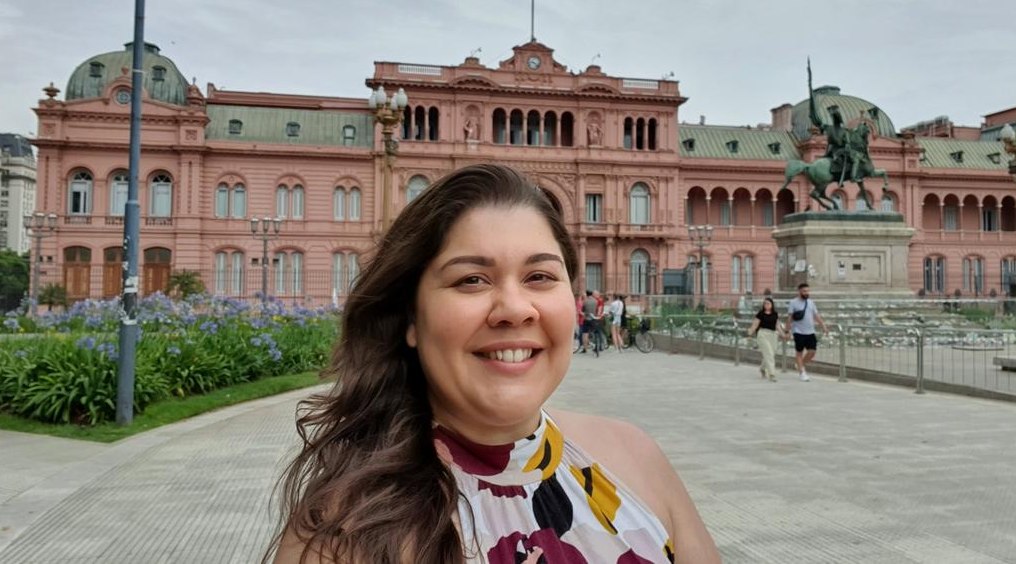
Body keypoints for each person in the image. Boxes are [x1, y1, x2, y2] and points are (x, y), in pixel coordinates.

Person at [270, 164, 718, 563]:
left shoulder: (634, 457)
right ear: (410, 317)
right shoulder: (345, 536)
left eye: (539, 276)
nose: (515, 308)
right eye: (471, 280)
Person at [785, 282, 828, 382]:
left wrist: (824, 326)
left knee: (812, 351)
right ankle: (802, 372)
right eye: (804, 291)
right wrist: (787, 331)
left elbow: (816, 316)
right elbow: (790, 318)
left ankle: (800, 365)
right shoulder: (793, 303)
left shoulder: (811, 302)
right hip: (798, 331)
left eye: (808, 291)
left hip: (810, 331)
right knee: (799, 352)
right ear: (799, 291)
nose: (806, 293)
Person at [746, 297, 781, 381]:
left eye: (768, 303)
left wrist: (784, 334)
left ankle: (762, 368)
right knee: (768, 354)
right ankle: (772, 374)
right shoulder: (760, 314)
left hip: (773, 335)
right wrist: (749, 333)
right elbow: (755, 325)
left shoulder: (775, 314)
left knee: (771, 354)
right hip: (763, 334)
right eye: (765, 303)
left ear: (772, 304)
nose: (766, 305)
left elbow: (777, 326)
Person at [579, 289, 598, 354]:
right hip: (593, 319)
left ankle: (585, 349)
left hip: (587, 319)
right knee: (595, 332)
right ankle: (596, 345)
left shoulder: (585, 301)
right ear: (592, 294)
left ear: (586, 294)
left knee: (585, 334)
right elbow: (596, 309)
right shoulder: (595, 301)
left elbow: (583, 310)